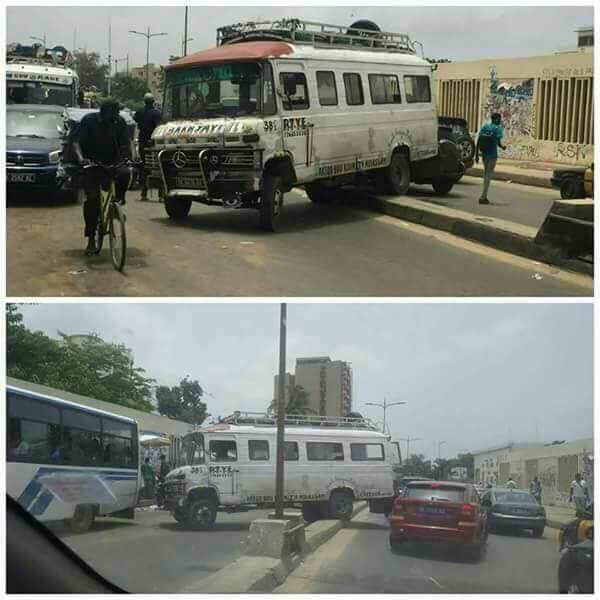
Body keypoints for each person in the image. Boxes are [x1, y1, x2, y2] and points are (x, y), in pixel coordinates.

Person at [72, 97, 134, 255]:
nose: (117, 114)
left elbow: (126, 141)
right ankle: (91, 238)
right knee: (92, 201)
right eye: (115, 111)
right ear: (105, 112)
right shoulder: (89, 121)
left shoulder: (118, 122)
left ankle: (117, 203)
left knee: (126, 173)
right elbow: (76, 142)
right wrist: (81, 159)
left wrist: (131, 157)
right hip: (92, 164)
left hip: (111, 163)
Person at [134, 93, 162, 201]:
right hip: (154, 142)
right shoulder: (157, 113)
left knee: (145, 167)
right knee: (158, 167)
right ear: (153, 101)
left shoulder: (139, 112)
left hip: (143, 142)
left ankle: (144, 193)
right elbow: (158, 127)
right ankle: (161, 195)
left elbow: (136, 120)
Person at [475, 112, 507, 205]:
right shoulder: (497, 129)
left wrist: (476, 155)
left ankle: (483, 195)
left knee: (486, 173)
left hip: (484, 154)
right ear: (496, 119)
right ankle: (483, 196)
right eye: (499, 119)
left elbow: (479, 139)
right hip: (492, 155)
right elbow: (498, 141)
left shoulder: (485, 127)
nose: (500, 121)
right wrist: (502, 147)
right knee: (488, 175)